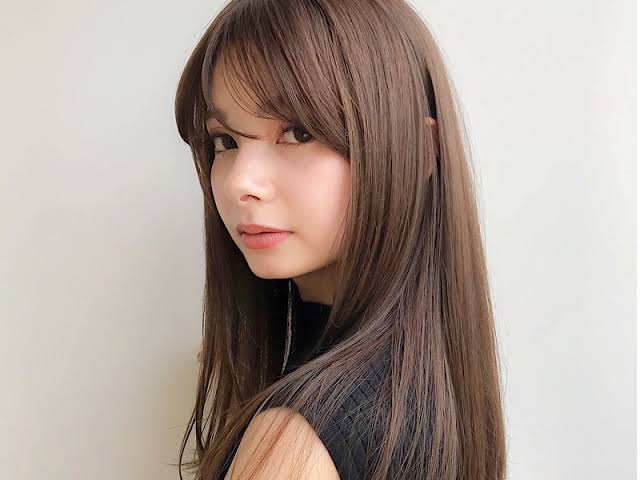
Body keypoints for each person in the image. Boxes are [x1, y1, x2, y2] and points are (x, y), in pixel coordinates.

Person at [173, 0, 507, 479]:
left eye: (298, 133)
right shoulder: (434, 389)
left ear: (419, 151)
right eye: (226, 141)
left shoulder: (297, 439)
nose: (240, 182)